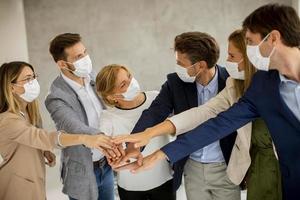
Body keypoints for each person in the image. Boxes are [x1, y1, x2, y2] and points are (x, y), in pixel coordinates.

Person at [114, 4, 300, 200]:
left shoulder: (250, 81)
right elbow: (216, 123)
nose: (249, 50)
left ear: (272, 38)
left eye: (250, 42)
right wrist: (159, 153)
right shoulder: (263, 85)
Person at [115, 32, 239, 200]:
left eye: (181, 63)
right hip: (191, 167)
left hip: (226, 166)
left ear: (200, 65)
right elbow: (154, 113)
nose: (177, 66)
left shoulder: (232, 82)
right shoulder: (175, 83)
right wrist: (133, 146)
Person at [0, 61, 114, 200]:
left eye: (34, 76)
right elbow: (42, 137)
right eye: (28, 79)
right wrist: (84, 138)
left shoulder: (28, 112)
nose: (34, 82)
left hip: (33, 181)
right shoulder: (7, 120)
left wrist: (44, 150)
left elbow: (29, 138)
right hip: (16, 187)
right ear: (11, 87)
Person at [45, 33, 120, 200]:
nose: (85, 58)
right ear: (62, 64)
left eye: (85, 52)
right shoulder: (55, 96)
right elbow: (75, 127)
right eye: (79, 56)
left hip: (106, 165)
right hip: (82, 171)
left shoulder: (92, 76)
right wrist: (109, 142)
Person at [96, 64, 174, 200]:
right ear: (111, 97)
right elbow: (103, 140)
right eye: (123, 84)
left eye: (129, 77)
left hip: (164, 179)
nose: (131, 83)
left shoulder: (156, 98)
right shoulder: (108, 117)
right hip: (130, 187)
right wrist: (111, 152)